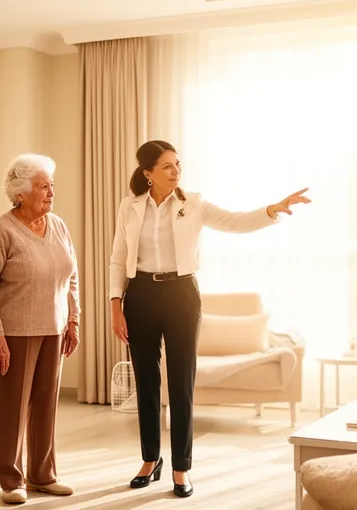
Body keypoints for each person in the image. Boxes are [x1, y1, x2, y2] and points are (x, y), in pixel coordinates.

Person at [109, 140, 310, 498]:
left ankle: (181, 467)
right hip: (139, 295)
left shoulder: (193, 203)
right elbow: (117, 258)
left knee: (181, 383)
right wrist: (115, 305)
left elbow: (235, 222)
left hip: (182, 294)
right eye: (167, 166)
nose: (176, 171)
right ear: (148, 173)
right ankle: (150, 459)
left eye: (177, 164)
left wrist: (272, 209)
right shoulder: (130, 206)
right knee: (147, 381)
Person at [0, 153, 81, 505]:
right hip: (15, 332)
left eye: (51, 185)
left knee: (46, 404)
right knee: (12, 408)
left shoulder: (58, 225)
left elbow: (71, 276)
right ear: (21, 193)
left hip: (55, 328)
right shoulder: (1, 231)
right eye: (43, 186)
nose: (51, 192)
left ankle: (42, 475)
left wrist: (73, 319)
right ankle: (12, 480)